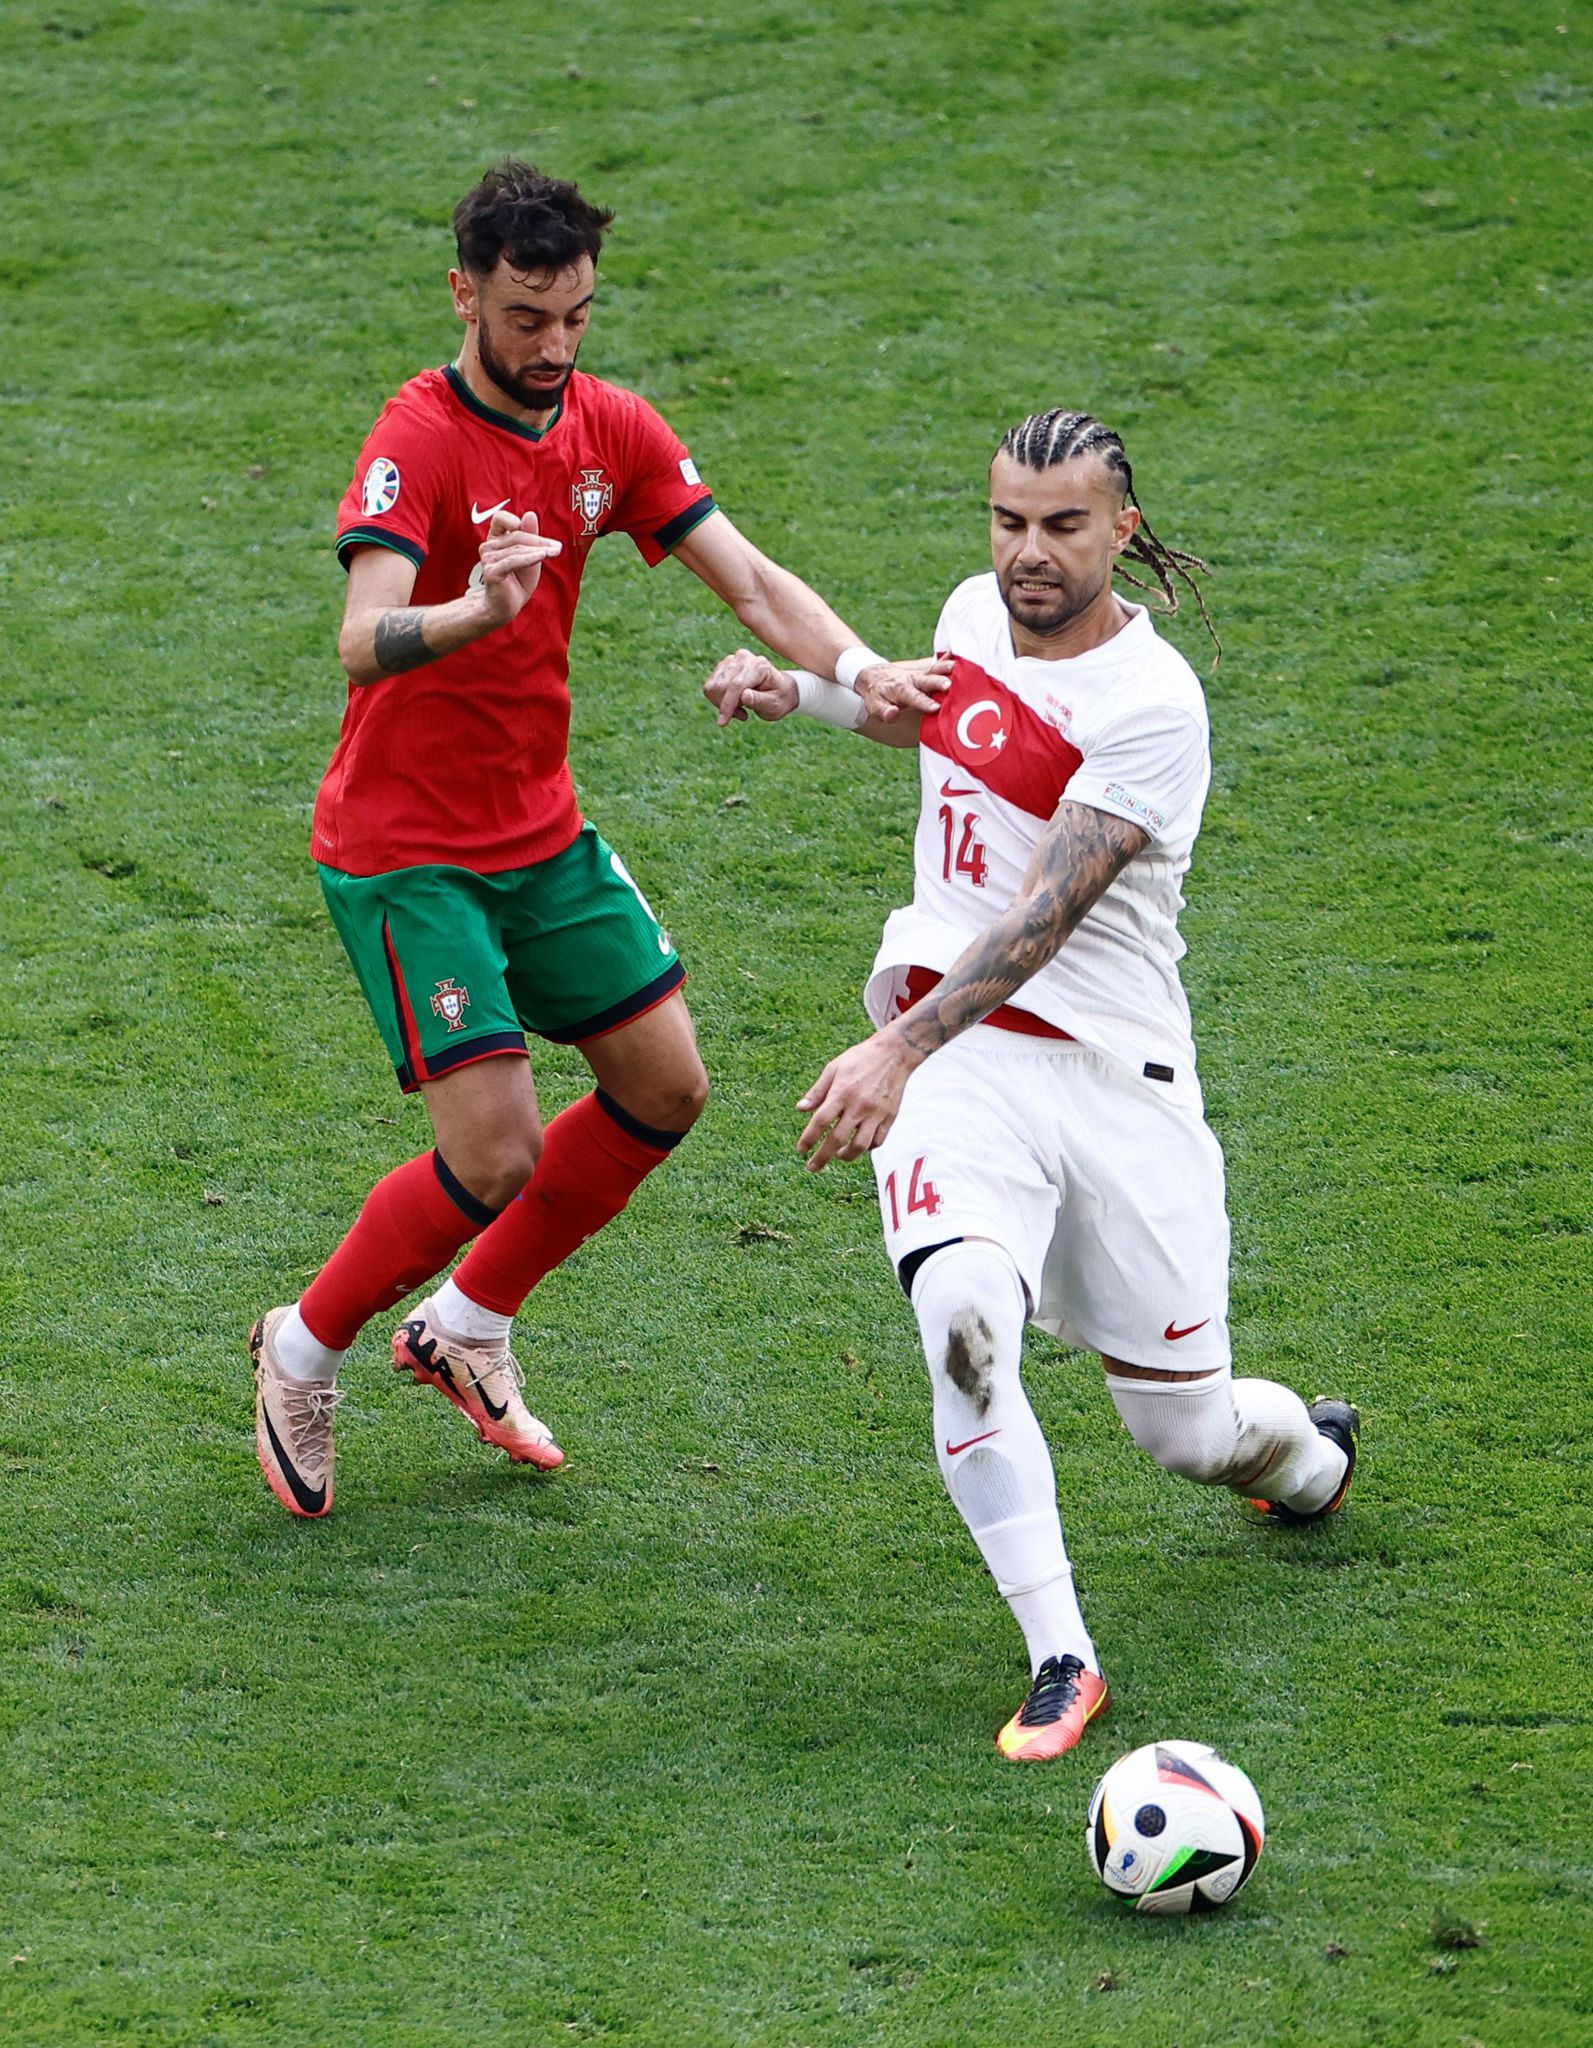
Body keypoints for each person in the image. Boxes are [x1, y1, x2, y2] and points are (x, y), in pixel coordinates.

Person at [251, 160, 941, 1518]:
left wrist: (863, 671)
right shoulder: (417, 438)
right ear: (464, 296)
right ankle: (299, 1351)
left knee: (665, 1088)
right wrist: (476, 610)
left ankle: (466, 1325)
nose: (555, 346)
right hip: (407, 850)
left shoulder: (610, 427)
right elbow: (361, 636)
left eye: (575, 316)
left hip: (539, 832)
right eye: (526, 318)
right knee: (495, 1153)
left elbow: (749, 581)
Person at [704, 409, 1358, 1760]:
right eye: (1008, 522)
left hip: (1113, 1076)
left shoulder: (1151, 703)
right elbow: (938, 731)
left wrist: (894, 1048)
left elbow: (1043, 916)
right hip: (962, 1063)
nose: (1028, 554)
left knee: (1191, 1434)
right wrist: (801, 694)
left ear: (1122, 528)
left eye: (1062, 526)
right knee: (961, 1320)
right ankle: (1063, 1656)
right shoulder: (969, 612)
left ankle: (1307, 1461)